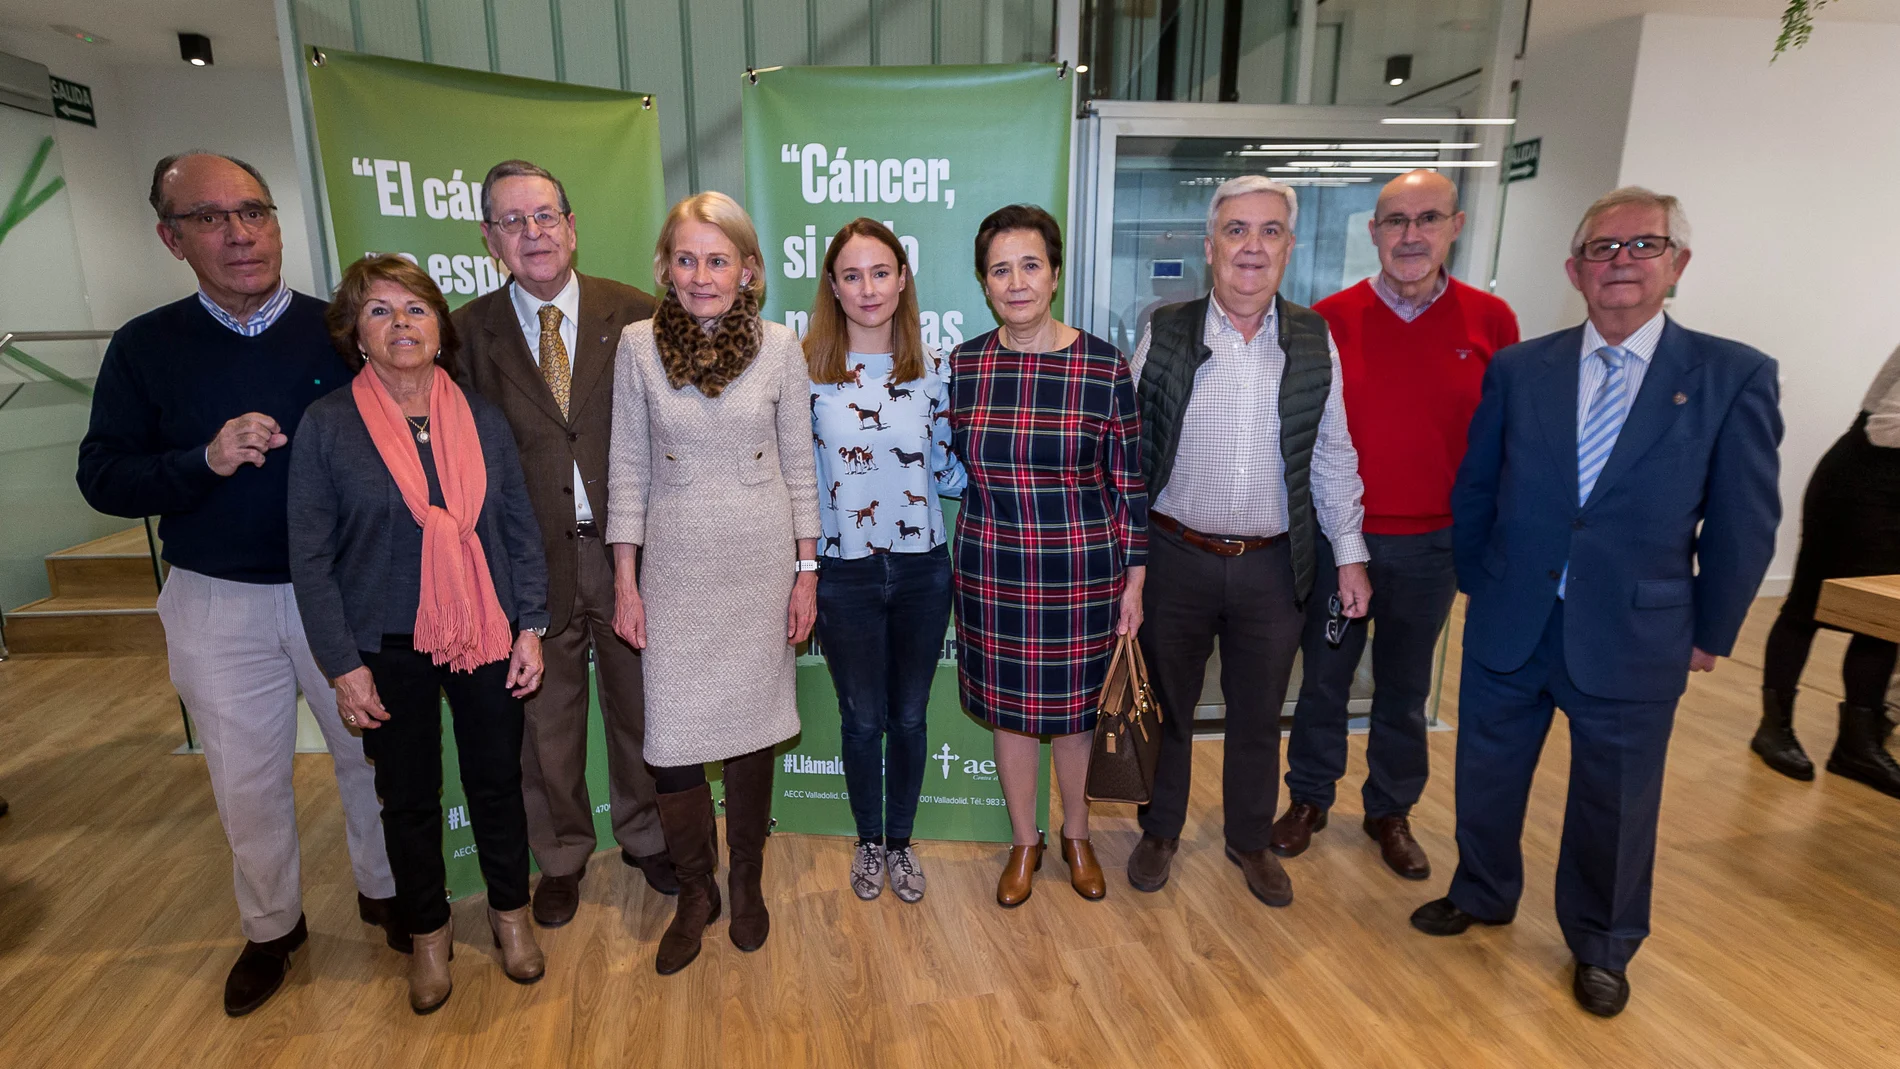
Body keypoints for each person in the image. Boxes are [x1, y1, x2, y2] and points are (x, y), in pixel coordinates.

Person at [1411, 188, 1781, 1018]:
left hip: (1636, 628)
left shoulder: (1730, 374)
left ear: (1677, 265)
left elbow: (1744, 522)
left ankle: (1603, 943)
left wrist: (1711, 628)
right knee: (1488, 772)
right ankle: (1482, 890)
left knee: (1616, 800)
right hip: (1514, 615)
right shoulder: (1520, 367)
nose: (1622, 262)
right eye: (1603, 249)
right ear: (1574, 269)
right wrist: (1481, 578)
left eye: (1644, 246)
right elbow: (1477, 486)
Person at [75, 152, 396, 1018]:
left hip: (347, 589)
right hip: (219, 598)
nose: (239, 233)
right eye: (209, 218)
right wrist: (200, 461)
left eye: (253, 211)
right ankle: (272, 928)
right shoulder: (145, 346)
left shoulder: (344, 329)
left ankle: (386, 893)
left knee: (372, 758)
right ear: (170, 237)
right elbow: (102, 476)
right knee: (247, 781)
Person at [288, 254, 550, 1014]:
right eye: (379, 310)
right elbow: (309, 556)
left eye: (415, 308)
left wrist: (529, 624)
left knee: (497, 782)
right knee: (406, 796)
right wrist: (342, 664)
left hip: (487, 629)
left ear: (440, 327)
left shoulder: (483, 417)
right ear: (354, 335)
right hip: (384, 641)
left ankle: (510, 916)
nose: (400, 323)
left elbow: (518, 528)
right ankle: (428, 934)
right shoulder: (329, 426)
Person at [1123, 176, 1369, 910]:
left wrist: (1350, 553)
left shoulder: (1313, 339)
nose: (1251, 247)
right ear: (1210, 249)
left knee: (1261, 711)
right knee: (1165, 705)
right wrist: (1125, 560)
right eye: (1236, 231)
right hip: (1176, 556)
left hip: (1271, 565)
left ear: (1289, 248)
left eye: (1268, 232)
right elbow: (1128, 449)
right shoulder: (1164, 332)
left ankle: (1249, 839)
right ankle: (1160, 828)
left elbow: (1332, 453)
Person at [1276, 170, 1521, 879]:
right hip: (1338, 540)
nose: (1411, 235)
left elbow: (1506, 440)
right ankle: (1309, 799)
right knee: (1323, 680)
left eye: (1428, 219)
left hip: (1434, 544)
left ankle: (1390, 809)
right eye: (1395, 221)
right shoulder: (1329, 319)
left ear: (1456, 226)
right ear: (1374, 231)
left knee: (1405, 688)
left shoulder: (1491, 322)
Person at [452, 160, 674, 928]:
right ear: (489, 239)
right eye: (512, 222)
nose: (532, 234)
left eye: (545, 216)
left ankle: (646, 833)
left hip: (628, 555)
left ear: (572, 226)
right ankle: (563, 855)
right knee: (544, 725)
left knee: (641, 705)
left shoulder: (640, 313)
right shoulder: (463, 334)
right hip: (528, 561)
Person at [607, 192, 820, 974]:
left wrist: (807, 572)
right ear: (666, 266)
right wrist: (625, 581)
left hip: (760, 567)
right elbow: (625, 465)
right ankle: (696, 889)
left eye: (718, 259)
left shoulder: (780, 347)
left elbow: (802, 466)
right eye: (687, 258)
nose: (702, 275)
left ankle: (749, 877)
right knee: (671, 744)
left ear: (749, 269)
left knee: (754, 731)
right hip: (673, 569)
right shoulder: (636, 346)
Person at [950, 204, 1148, 909]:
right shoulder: (966, 364)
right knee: (1011, 713)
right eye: (1000, 269)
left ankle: (1078, 833)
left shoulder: (1103, 367)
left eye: (1030, 264)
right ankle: (1025, 840)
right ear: (984, 283)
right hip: (993, 569)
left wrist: (1136, 580)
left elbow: (1130, 483)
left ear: (1055, 273)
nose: (1017, 281)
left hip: (1082, 571)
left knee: (1074, 714)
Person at [806, 218, 966, 904]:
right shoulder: (807, 376)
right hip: (845, 573)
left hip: (924, 569)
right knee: (861, 719)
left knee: (908, 717)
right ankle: (868, 838)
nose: (867, 288)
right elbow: (799, 482)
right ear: (834, 288)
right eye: (852, 274)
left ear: (902, 279)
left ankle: (901, 842)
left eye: (880, 272)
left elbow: (948, 471)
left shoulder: (938, 369)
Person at [1754, 343, 1900, 797]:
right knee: (1806, 607)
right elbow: (1886, 426)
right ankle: (1774, 728)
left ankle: (1856, 744)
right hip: (1860, 484)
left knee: (1881, 618)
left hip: (1891, 489)